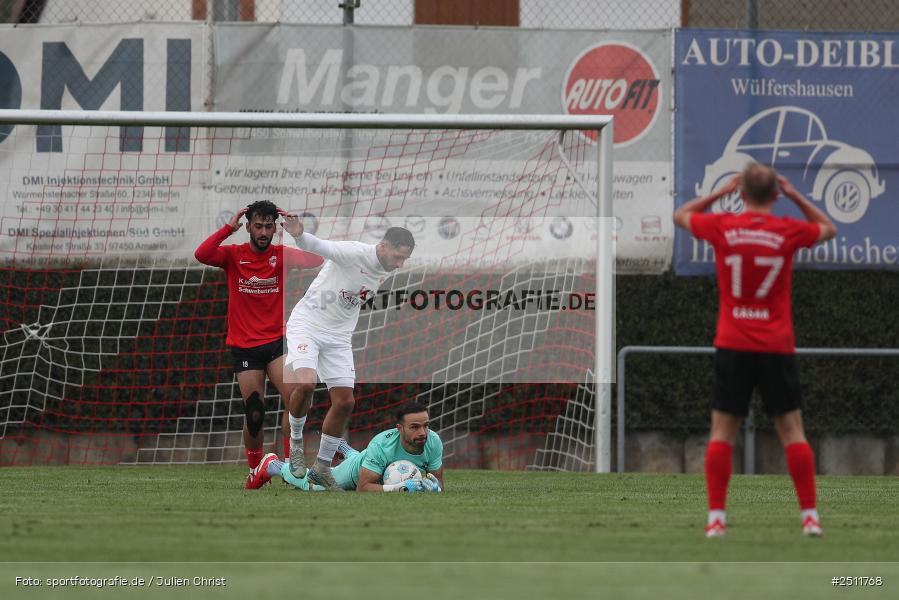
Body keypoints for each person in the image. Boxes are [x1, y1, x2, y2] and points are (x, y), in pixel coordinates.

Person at [673, 163, 837, 538]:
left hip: (733, 343)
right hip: (776, 345)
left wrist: (718, 193)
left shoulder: (724, 227)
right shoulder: (787, 230)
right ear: (775, 195)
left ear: (740, 193)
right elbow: (830, 228)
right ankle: (809, 516)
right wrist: (796, 196)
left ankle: (717, 518)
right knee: (792, 431)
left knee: (721, 433)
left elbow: (681, 215)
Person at [195, 200, 323, 489]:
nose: (263, 231)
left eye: (268, 226)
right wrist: (228, 228)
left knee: (296, 401)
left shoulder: (282, 254)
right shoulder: (232, 255)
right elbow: (201, 254)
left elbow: (317, 259)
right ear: (249, 227)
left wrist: (299, 234)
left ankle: (293, 466)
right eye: (258, 226)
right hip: (245, 349)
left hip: (276, 345)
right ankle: (255, 471)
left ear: (274, 228)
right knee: (254, 412)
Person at [281, 222, 415, 490]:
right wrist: (298, 233)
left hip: (339, 337)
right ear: (383, 245)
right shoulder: (354, 252)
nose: (400, 264)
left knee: (345, 402)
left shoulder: (386, 267)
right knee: (306, 384)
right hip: (307, 325)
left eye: (405, 259)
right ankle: (295, 445)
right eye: (398, 256)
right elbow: (318, 246)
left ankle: (321, 467)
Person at [246, 401, 443, 493]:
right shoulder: (382, 444)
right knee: (312, 485)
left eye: (426, 426)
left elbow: (438, 483)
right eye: (415, 427)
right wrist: (400, 488)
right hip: (354, 474)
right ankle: (274, 465)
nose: (423, 433)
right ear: (399, 429)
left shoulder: (433, 442)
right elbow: (363, 488)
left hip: (370, 461)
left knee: (369, 460)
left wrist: (435, 489)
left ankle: (347, 450)